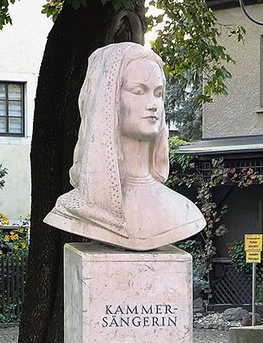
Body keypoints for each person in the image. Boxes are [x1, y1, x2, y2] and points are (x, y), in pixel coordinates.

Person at [44, 42, 205, 251]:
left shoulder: (182, 211)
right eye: (139, 91)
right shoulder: (74, 207)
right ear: (107, 100)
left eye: (158, 93)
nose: (153, 104)